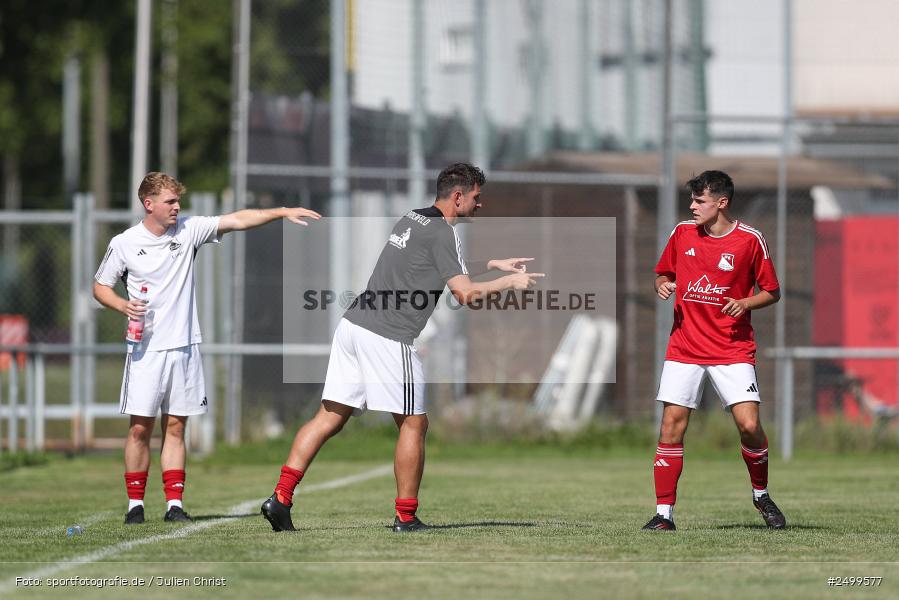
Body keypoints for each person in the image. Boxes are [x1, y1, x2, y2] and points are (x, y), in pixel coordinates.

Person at [261, 162, 543, 532]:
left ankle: (280, 499)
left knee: (328, 417)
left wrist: (490, 263)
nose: (480, 205)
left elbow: (436, 264)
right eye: (476, 197)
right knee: (414, 423)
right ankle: (406, 517)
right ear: (458, 197)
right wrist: (509, 282)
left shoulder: (414, 219)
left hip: (354, 326)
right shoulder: (443, 233)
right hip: (387, 335)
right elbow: (464, 293)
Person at [94, 172, 320, 525]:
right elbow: (100, 286)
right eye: (169, 201)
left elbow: (238, 219)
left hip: (184, 346)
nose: (176, 207)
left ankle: (174, 505)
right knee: (140, 428)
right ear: (148, 204)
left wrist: (281, 211)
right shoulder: (124, 243)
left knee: (176, 427)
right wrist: (122, 306)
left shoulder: (189, 230)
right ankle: (134, 506)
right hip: (145, 350)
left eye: (177, 201)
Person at [643, 170, 786, 531]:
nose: (692, 207)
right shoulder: (682, 233)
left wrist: (746, 303)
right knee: (671, 427)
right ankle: (663, 516)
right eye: (691, 200)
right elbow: (662, 273)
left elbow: (772, 291)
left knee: (749, 425)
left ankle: (761, 494)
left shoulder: (750, 240)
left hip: (732, 348)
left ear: (721, 203)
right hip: (685, 347)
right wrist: (663, 285)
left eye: (699, 201)